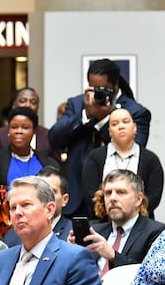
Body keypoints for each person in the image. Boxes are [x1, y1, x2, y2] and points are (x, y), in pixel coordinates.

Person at [49, 58, 151, 218]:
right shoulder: (78, 104)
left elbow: (133, 146)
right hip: (77, 199)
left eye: (102, 89)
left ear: (115, 85)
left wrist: (104, 120)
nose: (97, 93)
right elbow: (55, 138)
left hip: (117, 202)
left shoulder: (135, 112)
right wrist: (85, 115)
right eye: (93, 87)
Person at [69, 169, 165, 276]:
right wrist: (72, 252)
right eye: (108, 193)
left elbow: (151, 276)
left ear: (138, 199)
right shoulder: (94, 231)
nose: (112, 198)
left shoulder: (157, 233)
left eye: (121, 192)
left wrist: (113, 255)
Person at [82, 108, 163, 218]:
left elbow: (154, 194)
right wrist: (113, 213)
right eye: (115, 124)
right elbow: (90, 193)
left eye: (125, 122)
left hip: (141, 224)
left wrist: (132, 213)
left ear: (135, 128)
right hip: (104, 222)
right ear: (109, 131)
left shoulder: (150, 159)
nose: (121, 127)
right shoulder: (94, 157)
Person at [0, 107, 60, 188]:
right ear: (8, 130)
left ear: (34, 132)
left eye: (25, 127)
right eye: (14, 127)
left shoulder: (49, 163)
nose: (19, 131)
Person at [5, 166, 73, 247]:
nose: (46, 197)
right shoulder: (12, 236)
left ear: (64, 199)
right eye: (40, 193)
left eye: (51, 192)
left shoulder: (73, 233)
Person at [0, 87, 58, 161]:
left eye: (33, 102)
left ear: (37, 107)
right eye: (23, 101)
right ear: (13, 105)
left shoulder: (48, 135)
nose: (28, 105)